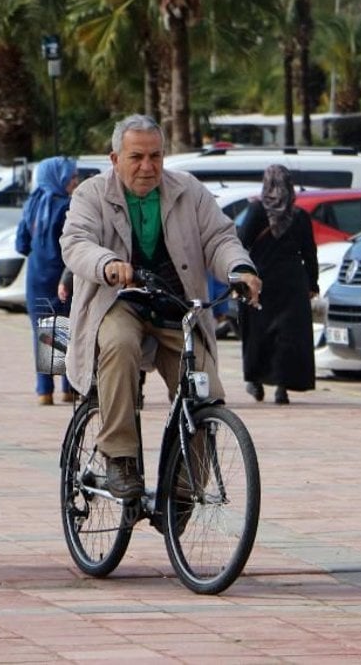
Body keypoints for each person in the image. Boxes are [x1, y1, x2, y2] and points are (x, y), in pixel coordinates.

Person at [60, 114, 262, 499]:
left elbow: (220, 237)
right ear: (114, 158)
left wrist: (240, 268)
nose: (147, 167)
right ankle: (120, 457)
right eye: (136, 157)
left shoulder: (188, 191)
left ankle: (185, 490)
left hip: (175, 306)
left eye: (156, 156)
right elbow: (76, 242)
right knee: (118, 345)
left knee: (206, 390)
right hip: (117, 301)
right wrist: (108, 265)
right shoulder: (90, 194)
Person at [238, 164, 319, 405]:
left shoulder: (256, 211)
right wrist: (312, 283)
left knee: (258, 333)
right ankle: (282, 386)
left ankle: (256, 380)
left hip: (260, 281)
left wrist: (239, 276)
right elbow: (309, 253)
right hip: (292, 282)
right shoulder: (300, 216)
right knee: (287, 335)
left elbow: (241, 243)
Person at [15, 156, 79, 405]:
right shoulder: (68, 207)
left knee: (44, 328)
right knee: (65, 327)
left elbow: (20, 244)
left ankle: (44, 390)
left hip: (36, 276)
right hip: (62, 275)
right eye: (71, 177)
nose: (75, 181)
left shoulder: (32, 204)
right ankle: (69, 388)